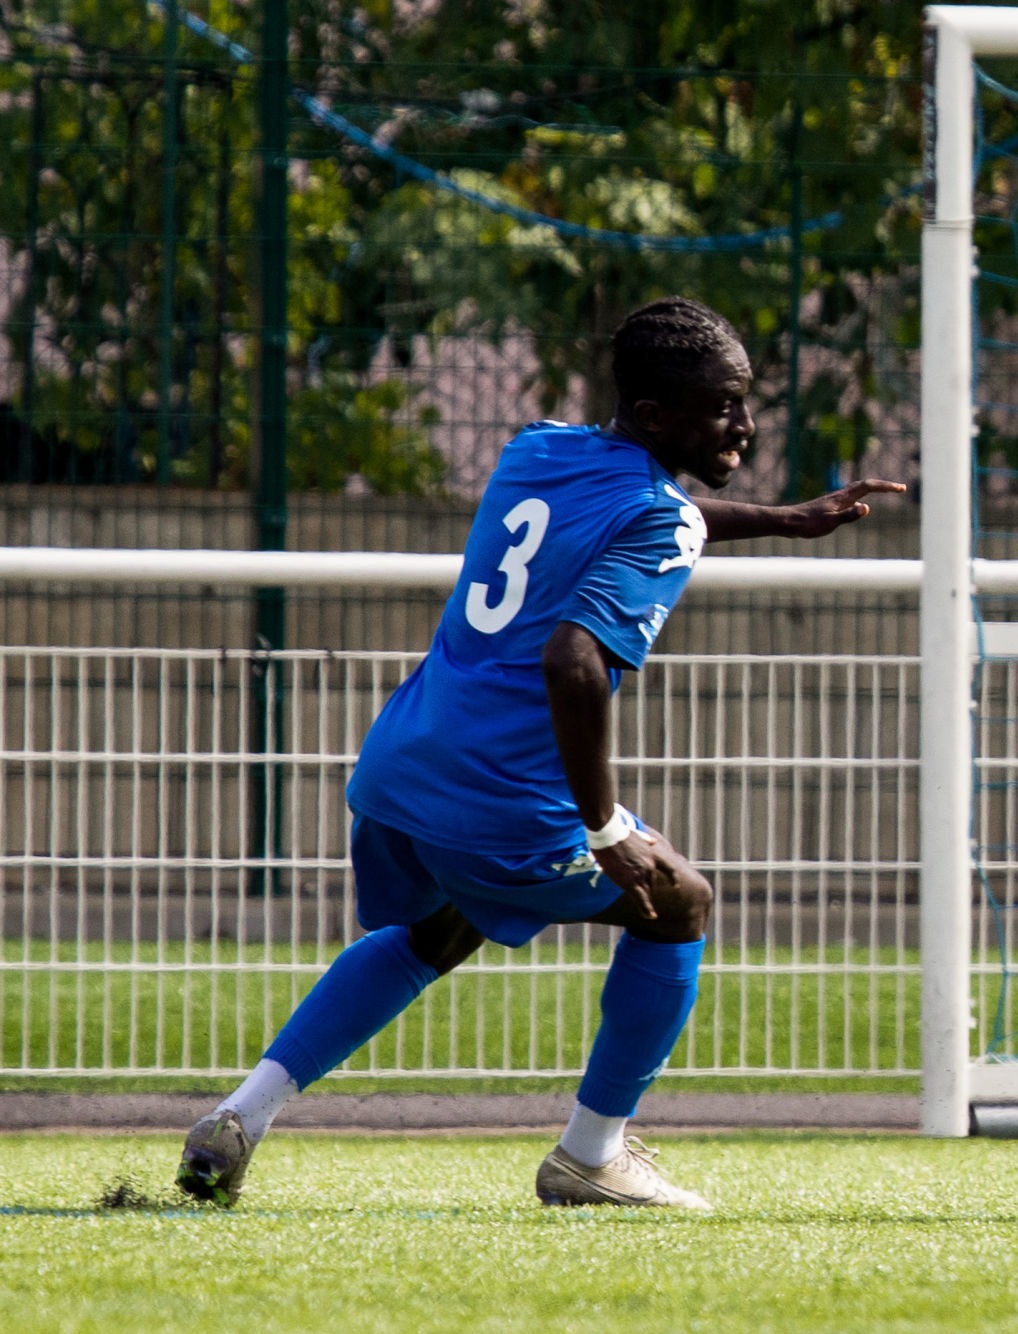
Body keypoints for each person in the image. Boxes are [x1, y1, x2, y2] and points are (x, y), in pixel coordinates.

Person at [176, 296, 904, 1209]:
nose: (747, 425)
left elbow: (648, 510)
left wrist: (787, 520)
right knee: (678, 900)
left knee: (434, 931)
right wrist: (603, 828)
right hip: (501, 797)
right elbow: (575, 658)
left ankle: (240, 1116)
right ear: (654, 417)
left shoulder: (537, 449)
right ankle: (592, 1154)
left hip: (401, 765)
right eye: (725, 406)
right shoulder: (659, 518)